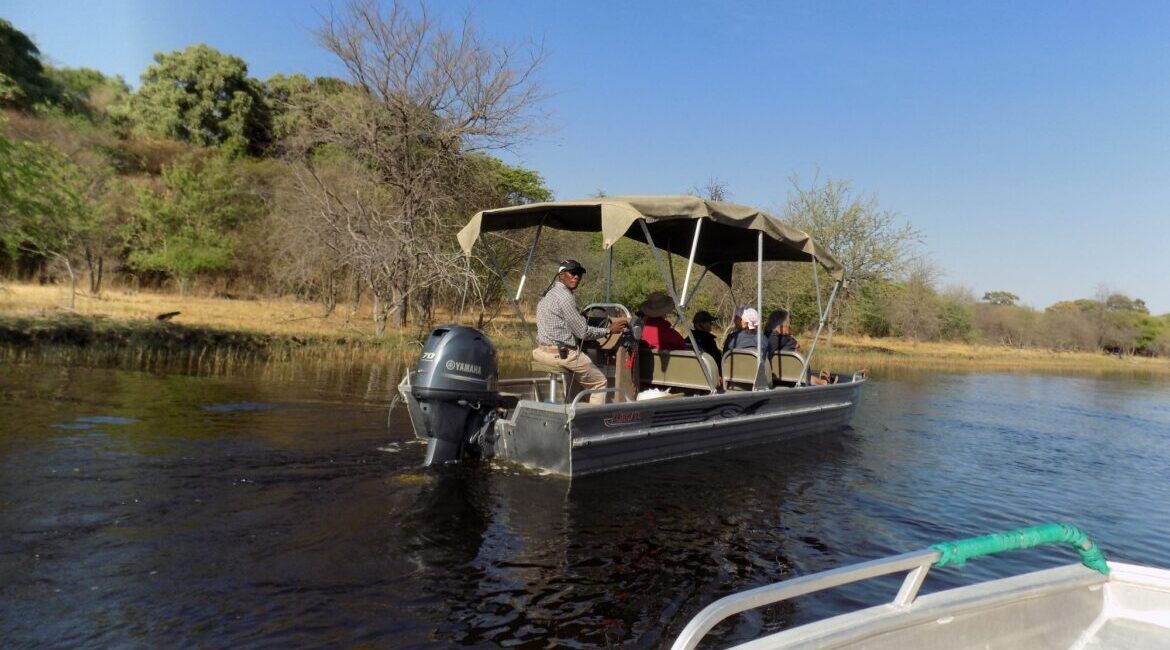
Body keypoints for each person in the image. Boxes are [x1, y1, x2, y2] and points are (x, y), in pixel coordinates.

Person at [533, 259, 628, 405]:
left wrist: (581, 317)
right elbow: (583, 333)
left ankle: (573, 411)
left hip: (542, 352)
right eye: (573, 273)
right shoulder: (566, 298)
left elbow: (565, 321)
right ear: (562, 274)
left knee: (576, 383)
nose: (576, 277)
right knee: (600, 382)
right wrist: (609, 329)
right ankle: (593, 423)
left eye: (579, 274)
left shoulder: (549, 294)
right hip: (563, 355)